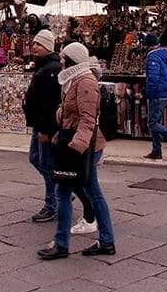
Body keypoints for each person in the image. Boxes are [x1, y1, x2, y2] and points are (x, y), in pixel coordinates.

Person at [38, 42, 116, 260]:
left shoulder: (85, 82)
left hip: (82, 146)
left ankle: (65, 244)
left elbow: (88, 119)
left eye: (63, 58)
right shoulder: (73, 80)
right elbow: (72, 114)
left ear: (72, 60)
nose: (60, 61)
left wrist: (76, 148)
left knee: (80, 192)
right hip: (73, 142)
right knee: (77, 192)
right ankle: (103, 241)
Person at [23, 29, 62, 224]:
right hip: (39, 124)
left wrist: (46, 130)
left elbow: (50, 103)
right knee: (35, 158)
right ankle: (59, 193)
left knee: (46, 164)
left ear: (48, 46)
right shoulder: (44, 66)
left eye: (39, 44)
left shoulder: (51, 69)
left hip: (44, 126)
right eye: (35, 43)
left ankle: (52, 204)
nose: (34, 46)